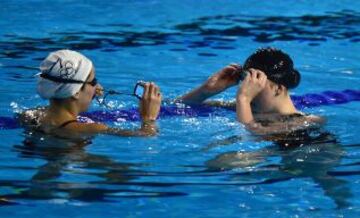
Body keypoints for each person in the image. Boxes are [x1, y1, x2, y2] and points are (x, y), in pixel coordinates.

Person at [18, 49, 162, 139]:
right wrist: (149, 119)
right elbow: (146, 135)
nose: (97, 87)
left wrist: (89, 89)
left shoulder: (31, 115)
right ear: (75, 93)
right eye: (93, 82)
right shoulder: (91, 128)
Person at [180, 47, 323, 135]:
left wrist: (243, 99)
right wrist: (206, 90)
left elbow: (250, 135)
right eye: (246, 82)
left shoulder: (307, 121)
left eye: (256, 85)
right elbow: (181, 106)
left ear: (278, 88)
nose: (248, 90)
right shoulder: (245, 109)